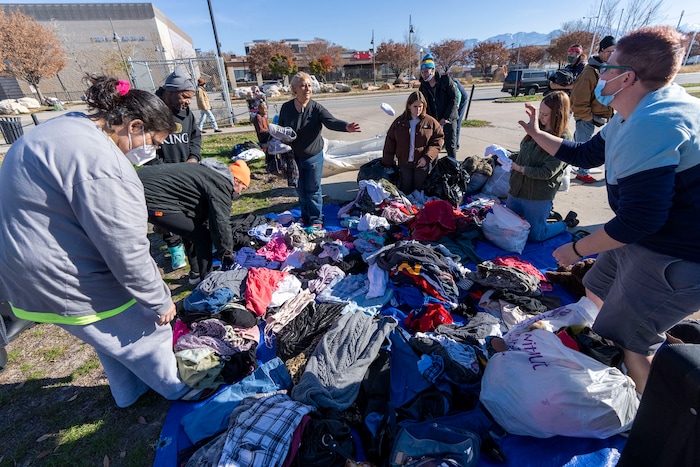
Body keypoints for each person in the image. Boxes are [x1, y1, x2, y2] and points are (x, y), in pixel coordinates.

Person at [518, 26, 700, 394]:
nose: (600, 74)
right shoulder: (639, 107)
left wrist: (577, 249)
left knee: (631, 340)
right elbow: (586, 154)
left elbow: (640, 219)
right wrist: (538, 134)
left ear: (626, 77)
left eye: (607, 67)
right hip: (646, 236)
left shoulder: (653, 123)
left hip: (675, 253)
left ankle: (649, 414)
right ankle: (593, 342)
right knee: (596, 284)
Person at [0, 75, 192, 407]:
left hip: (21, 264)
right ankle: (182, 390)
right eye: (155, 142)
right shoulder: (103, 163)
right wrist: (160, 300)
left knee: (108, 332)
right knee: (146, 329)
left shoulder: (67, 127)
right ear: (134, 126)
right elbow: (125, 248)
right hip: (60, 271)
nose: (154, 151)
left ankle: (129, 393)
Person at [138, 159, 250, 283]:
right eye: (242, 188)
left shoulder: (210, 174)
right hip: (152, 197)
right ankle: (208, 281)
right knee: (203, 237)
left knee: (193, 230)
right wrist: (227, 254)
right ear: (236, 180)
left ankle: (196, 273)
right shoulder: (221, 184)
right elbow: (221, 222)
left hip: (143, 182)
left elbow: (204, 218)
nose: (240, 193)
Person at [277, 71, 360, 227]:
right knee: (301, 190)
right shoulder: (286, 108)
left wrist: (346, 126)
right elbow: (280, 128)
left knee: (313, 189)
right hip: (294, 158)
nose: (307, 89)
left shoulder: (316, 108)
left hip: (313, 157)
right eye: (303, 86)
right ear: (294, 88)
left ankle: (316, 219)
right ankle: (305, 216)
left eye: (309, 85)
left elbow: (331, 121)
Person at [507, 91, 578, 242]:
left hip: (537, 194)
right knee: (508, 228)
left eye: (545, 115)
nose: (540, 118)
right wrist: (506, 156)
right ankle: (543, 216)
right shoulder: (536, 128)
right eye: (540, 113)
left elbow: (547, 172)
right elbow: (524, 154)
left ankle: (565, 223)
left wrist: (520, 169)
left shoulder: (564, 138)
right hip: (517, 189)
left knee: (535, 236)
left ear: (558, 115)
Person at [153, 67, 203, 276]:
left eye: (190, 97)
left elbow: (195, 137)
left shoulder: (186, 113)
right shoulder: (153, 111)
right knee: (165, 214)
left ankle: (195, 264)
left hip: (186, 172)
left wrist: (193, 158)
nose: (188, 101)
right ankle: (175, 249)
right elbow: (148, 148)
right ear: (171, 92)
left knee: (188, 214)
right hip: (162, 175)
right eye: (184, 96)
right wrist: (162, 169)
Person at [570, 36, 616, 183]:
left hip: (600, 116)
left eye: (615, 52)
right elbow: (579, 97)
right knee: (583, 146)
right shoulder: (590, 72)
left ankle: (580, 168)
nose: (612, 55)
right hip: (587, 118)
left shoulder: (607, 69)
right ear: (601, 51)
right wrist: (587, 116)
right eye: (609, 51)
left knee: (581, 144)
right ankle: (582, 173)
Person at [381, 91, 444, 194]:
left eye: (420, 106)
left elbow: (438, 140)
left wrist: (427, 157)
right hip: (404, 163)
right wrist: (387, 162)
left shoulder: (431, 122)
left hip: (421, 164)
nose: (418, 109)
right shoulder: (399, 122)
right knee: (406, 189)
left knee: (420, 190)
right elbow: (390, 142)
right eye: (415, 106)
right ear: (409, 106)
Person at [419, 53, 459, 159]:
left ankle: (453, 165)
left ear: (433, 70)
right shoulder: (423, 86)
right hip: (434, 120)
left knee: (450, 145)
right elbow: (423, 104)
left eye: (426, 71)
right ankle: (434, 166)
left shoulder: (445, 80)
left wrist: (446, 117)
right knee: (433, 145)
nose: (424, 75)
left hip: (449, 119)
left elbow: (453, 99)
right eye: (422, 72)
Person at [453, 78, 469, 149]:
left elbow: (458, 94)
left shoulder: (450, 81)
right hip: (454, 99)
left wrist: (457, 105)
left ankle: (455, 144)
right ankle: (450, 142)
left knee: (456, 121)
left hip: (461, 99)